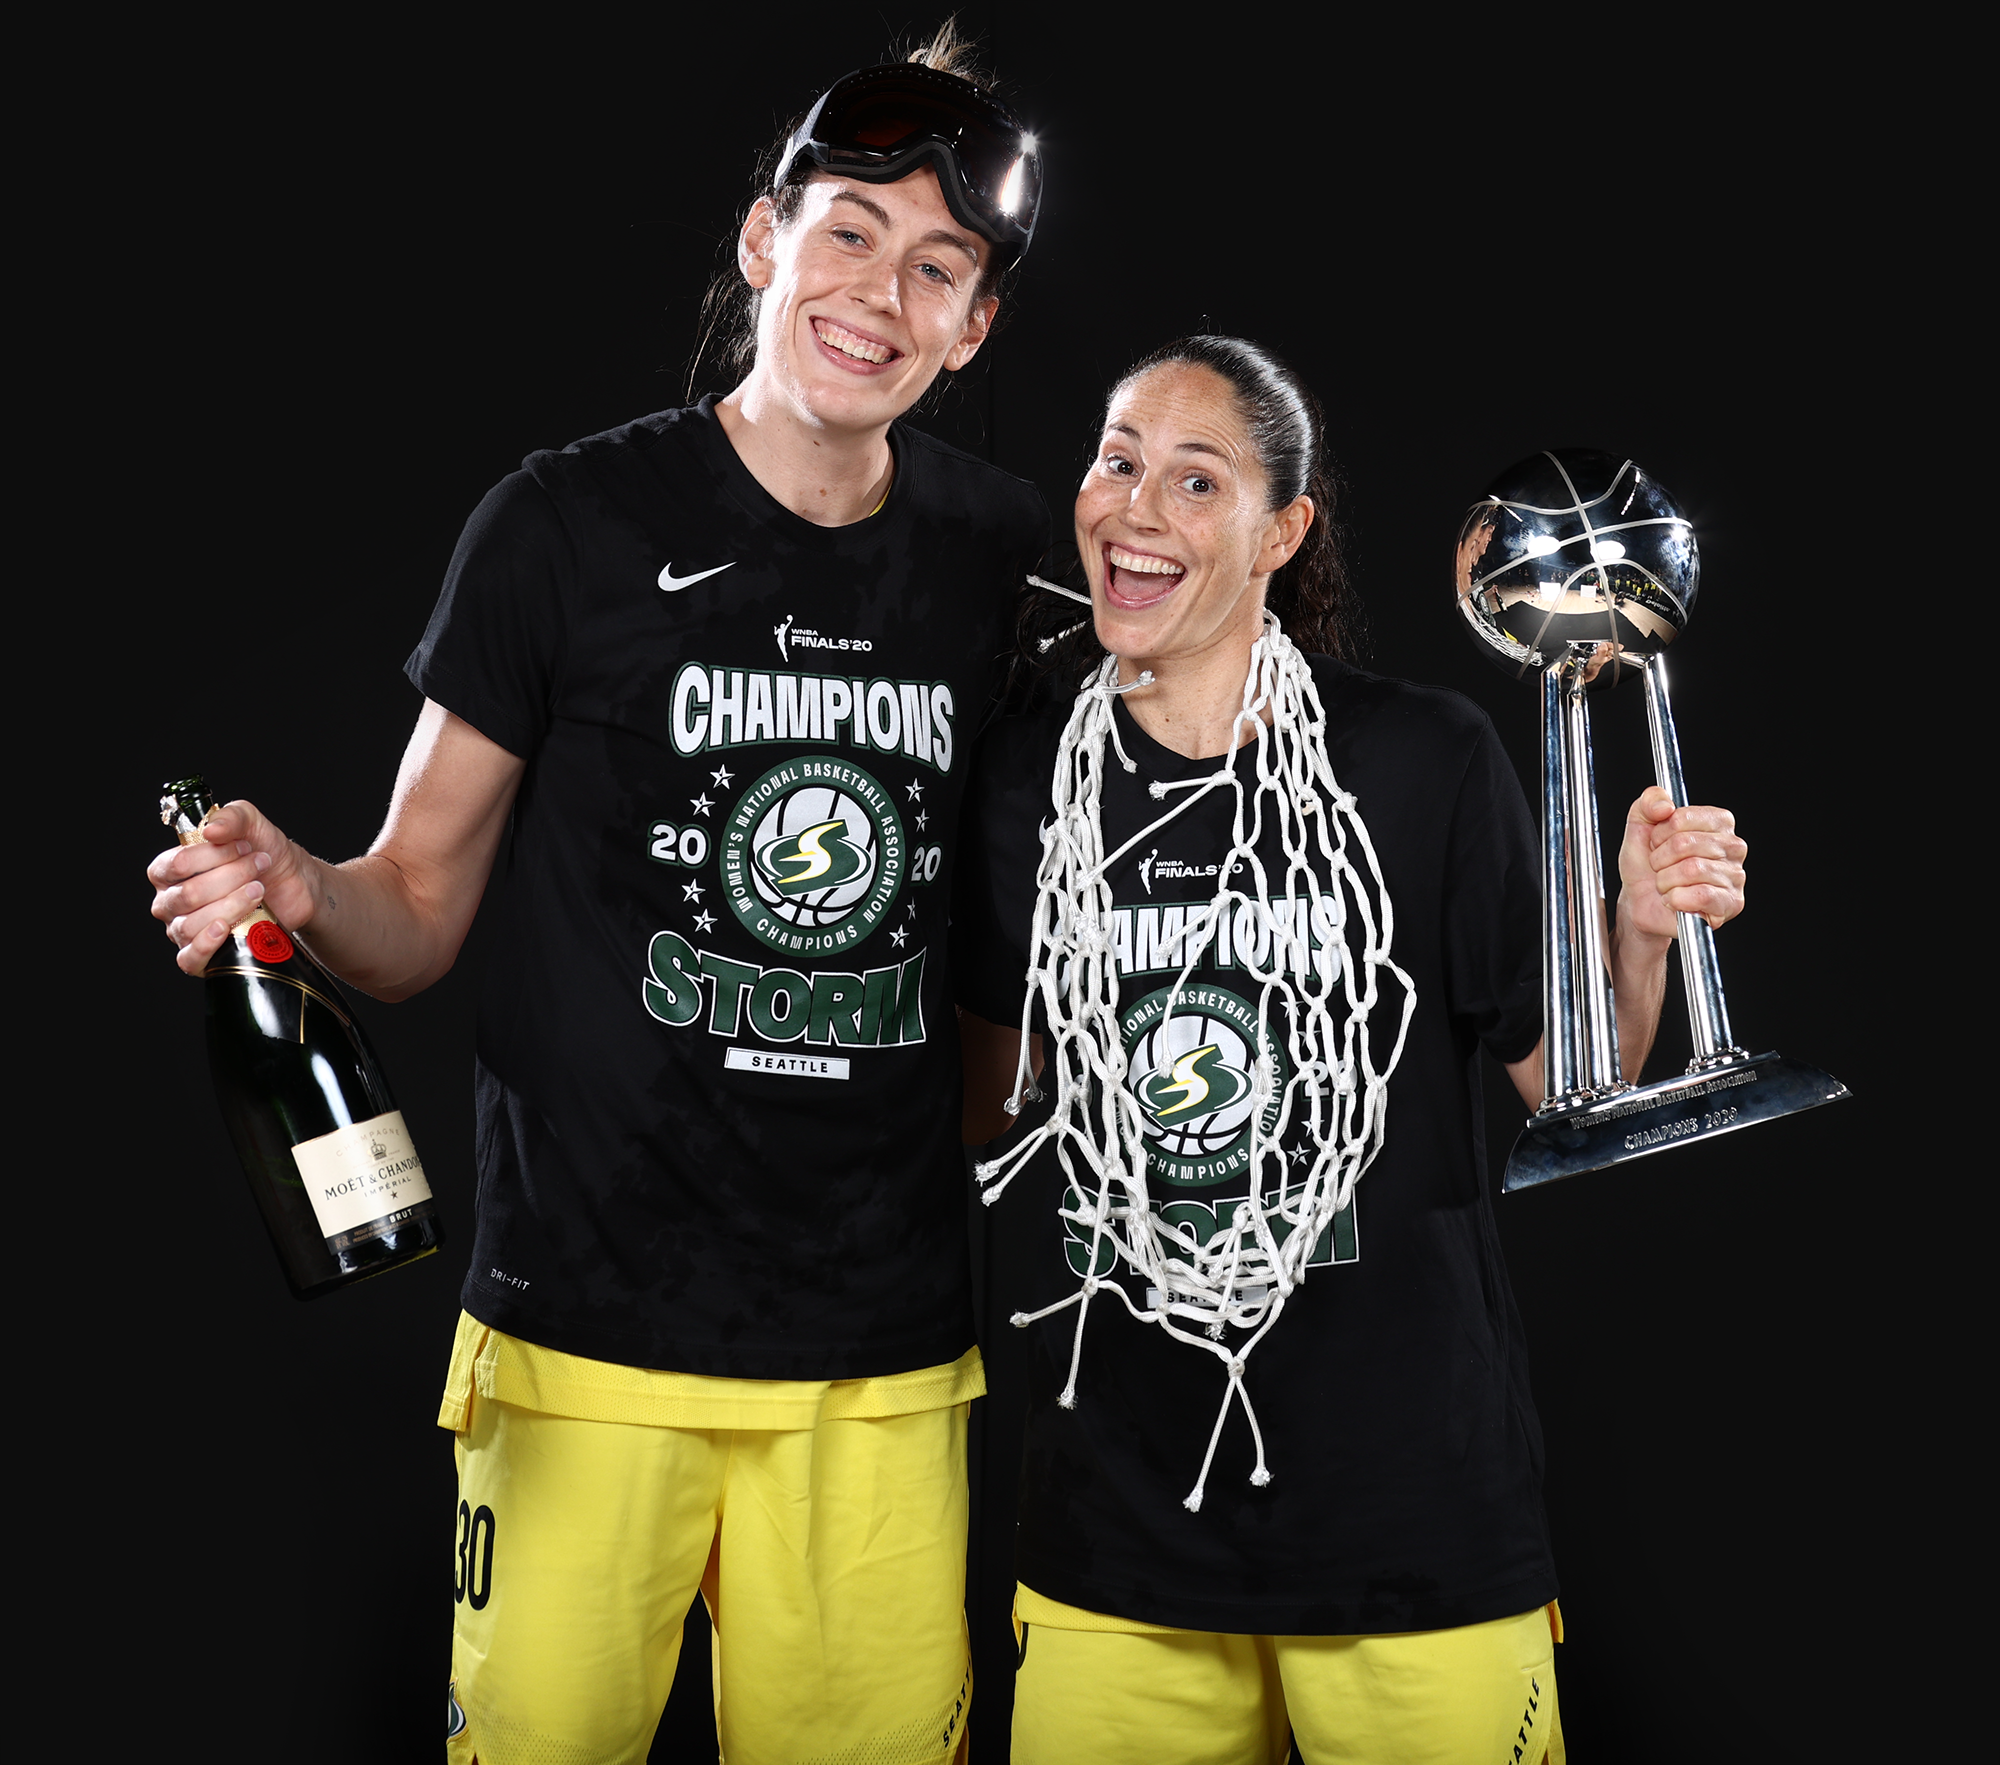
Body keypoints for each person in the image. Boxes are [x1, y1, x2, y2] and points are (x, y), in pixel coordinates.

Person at [147, 31, 1048, 1765]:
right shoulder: (560, 528)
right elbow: (409, 908)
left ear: (976, 326)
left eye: (939, 267)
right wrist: (298, 884)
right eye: (849, 231)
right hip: (583, 1339)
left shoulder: (1007, 558)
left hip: (876, 1359)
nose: (881, 293)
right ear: (762, 240)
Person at [954, 335, 1747, 1764]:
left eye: (1197, 480)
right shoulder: (1024, 781)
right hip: (1114, 1537)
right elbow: (988, 1107)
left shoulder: (1419, 759)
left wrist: (1632, 935)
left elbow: (1561, 1087)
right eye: (1118, 461)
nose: (1136, 507)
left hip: (1413, 1520)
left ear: (1284, 531)